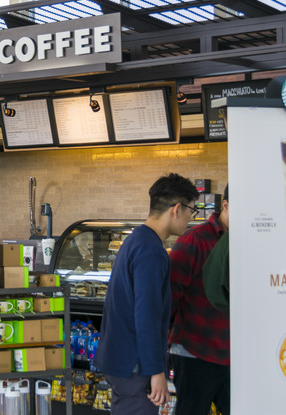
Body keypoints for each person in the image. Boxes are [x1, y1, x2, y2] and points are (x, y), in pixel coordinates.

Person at [94, 173, 199, 415]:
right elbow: (147, 316)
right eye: (191, 212)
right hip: (135, 365)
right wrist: (156, 372)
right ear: (176, 209)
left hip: (121, 358)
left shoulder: (136, 239)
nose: (190, 219)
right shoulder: (152, 251)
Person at [169, 185, 230, 415]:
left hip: (234, 355)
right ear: (225, 205)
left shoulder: (249, 243)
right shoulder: (194, 240)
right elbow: (170, 296)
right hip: (195, 352)